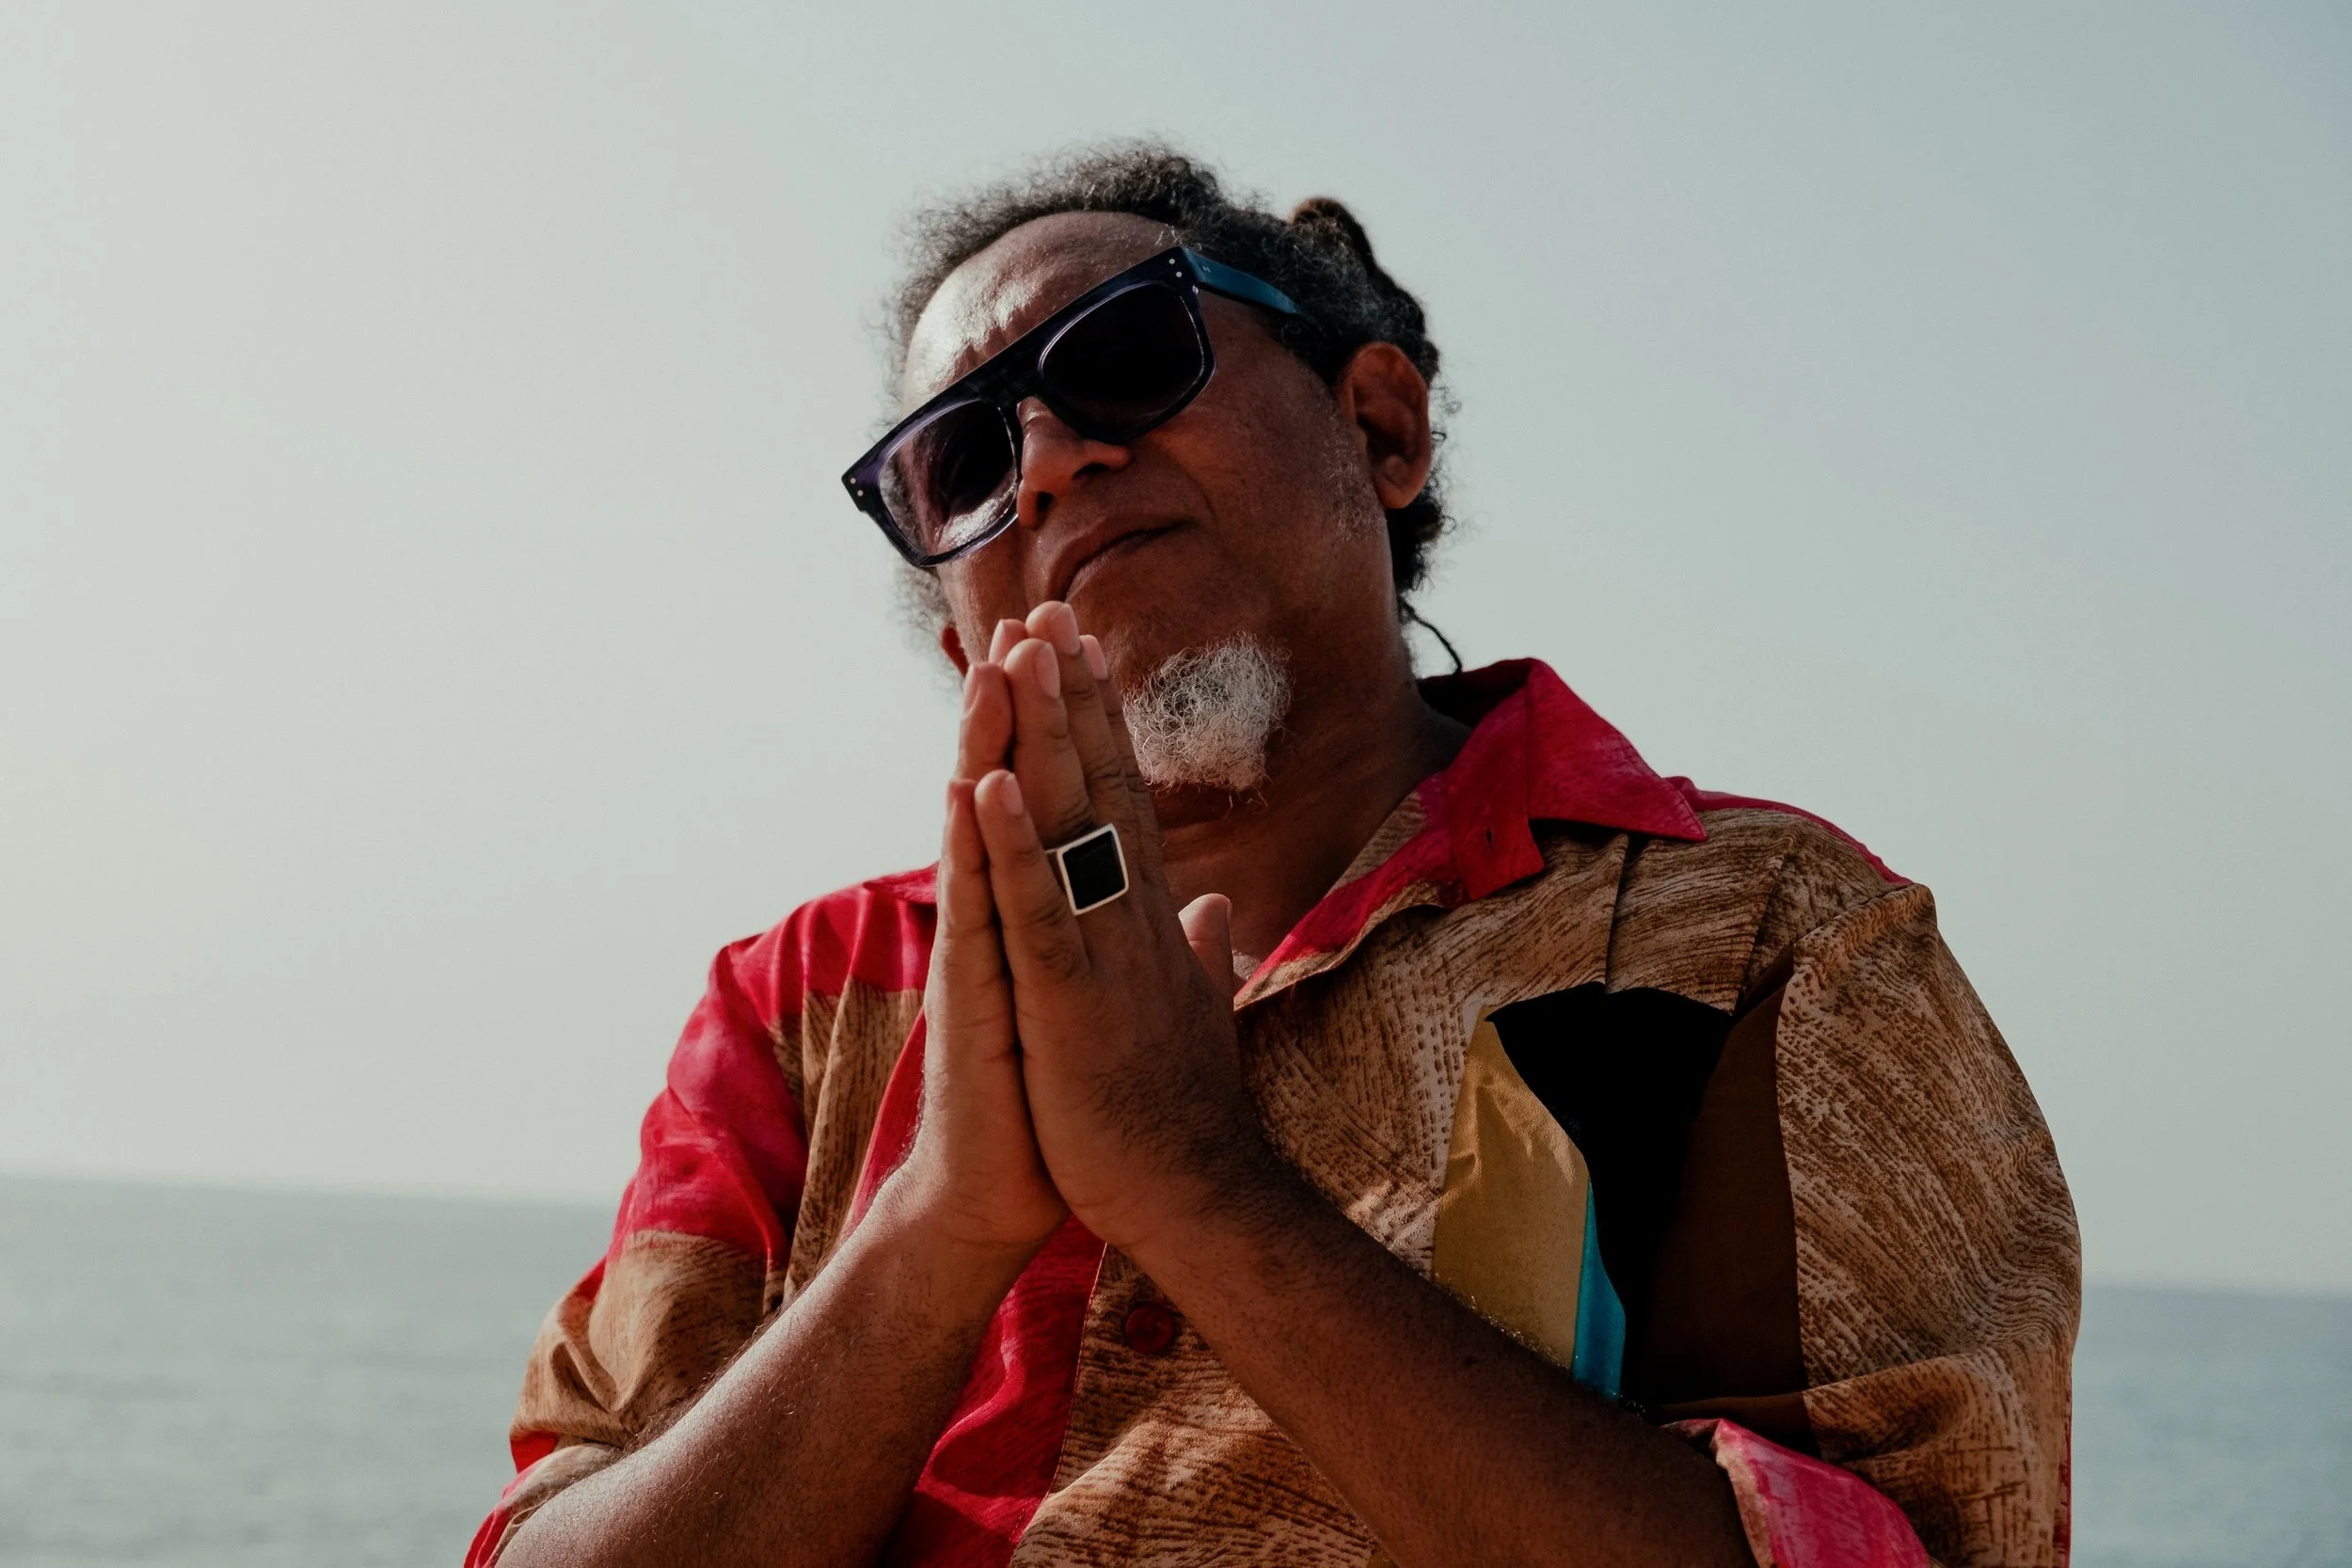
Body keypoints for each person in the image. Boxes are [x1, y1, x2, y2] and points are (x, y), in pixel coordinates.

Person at [469, 148, 2078, 1568]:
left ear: (1381, 426)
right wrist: (938, 1224)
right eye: (963, 464)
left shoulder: (1762, 934)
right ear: (959, 632)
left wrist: (1193, 1183)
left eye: (1124, 355)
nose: (1048, 458)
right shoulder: (806, 1006)